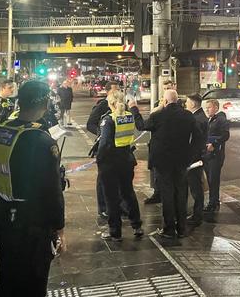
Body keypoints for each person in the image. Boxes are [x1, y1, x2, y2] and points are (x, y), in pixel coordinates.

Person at [0, 80, 65, 296]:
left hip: (3, 218)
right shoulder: (40, 140)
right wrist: (59, 228)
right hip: (33, 225)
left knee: (7, 277)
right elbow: (51, 190)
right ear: (45, 103)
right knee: (33, 282)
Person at [130, 90, 202, 238]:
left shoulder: (158, 116)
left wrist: (134, 109)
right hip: (181, 161)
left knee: (167, 194)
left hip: (162, 162)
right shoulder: (188, 116)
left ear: (165, 101)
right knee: (181, 193)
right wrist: (190, 155)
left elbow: (141, 125)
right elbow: (198, 138)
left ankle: (169, 228)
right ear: (177, 101)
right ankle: (181, 228)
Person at [96, 90, 143, 241]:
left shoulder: (109, 120)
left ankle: (115, 231)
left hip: (110, 164)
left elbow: (104, 144)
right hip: (127, 160)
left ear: (111, 103)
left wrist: (99, 159)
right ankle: (137, 225)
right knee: (128, 193)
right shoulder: (128, 116)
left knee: (111, 197)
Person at [86, 81, 120, 218]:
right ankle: (103, 208)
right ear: (108, 92)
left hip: (119, 148)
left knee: (118, 180)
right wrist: (101, 133)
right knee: (103, 180)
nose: (118, 92)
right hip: (106, 148)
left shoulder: (121, 105)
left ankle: (118, 206)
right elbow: (90, 124)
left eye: (119, 89)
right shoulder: (102, 106)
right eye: (115, 90)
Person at [143, 80, 178, 204]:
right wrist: (161, 106)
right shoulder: (159, 104)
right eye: (164, 88)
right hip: (158, 143)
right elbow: (152, 118)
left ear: (174, 87)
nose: (166, 90)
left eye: (168, 87)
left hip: (172, 145)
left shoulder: (177, 104)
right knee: (156, 172)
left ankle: (169, 196)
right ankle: (157, 192)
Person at [185, 94, 208, 226]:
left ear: (193, 104)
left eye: (187, 103)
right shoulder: (199, 117)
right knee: (196, 186)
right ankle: (197, 213)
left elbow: (194, 141)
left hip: (195, 159)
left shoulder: (197, 119)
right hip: (198, 157)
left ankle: (197, 215)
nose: (186, 105)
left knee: (195, 187)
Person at [204, 99, 230, 212]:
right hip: (208, 154)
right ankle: (214, 200)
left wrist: (214, 144)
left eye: (209, 107)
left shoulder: (220, 119)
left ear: (215, 107)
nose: (207, 109)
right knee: (210, 179)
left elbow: (225, 135)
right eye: (206, 107)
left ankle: (213, 203)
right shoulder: (210, 119)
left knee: (213, 179)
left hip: (216, 154)